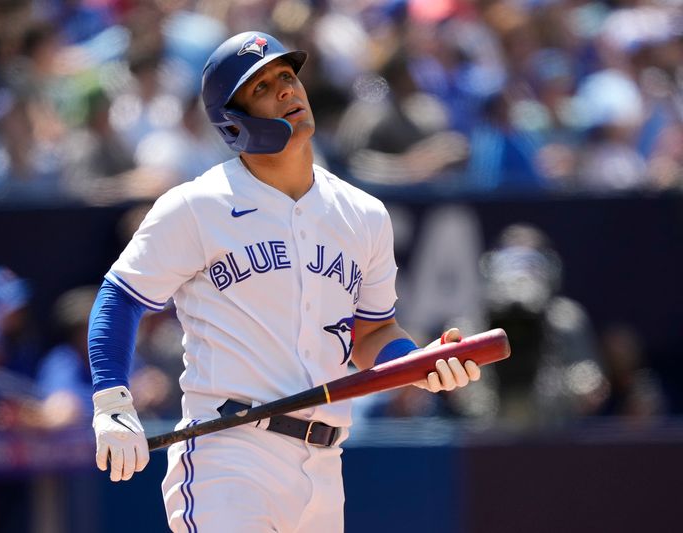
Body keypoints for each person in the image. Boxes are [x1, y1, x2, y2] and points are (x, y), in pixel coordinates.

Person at [87, 31, 481, 532]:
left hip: (325, 465)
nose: (286, 91)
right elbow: (119, 296)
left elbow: (373, 332)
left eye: (288, 76)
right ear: (234, 121)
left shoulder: (363, 214)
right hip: (228, 453)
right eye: (262, 87)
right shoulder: (197, 205)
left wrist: (418, 365)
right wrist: (112, 402)